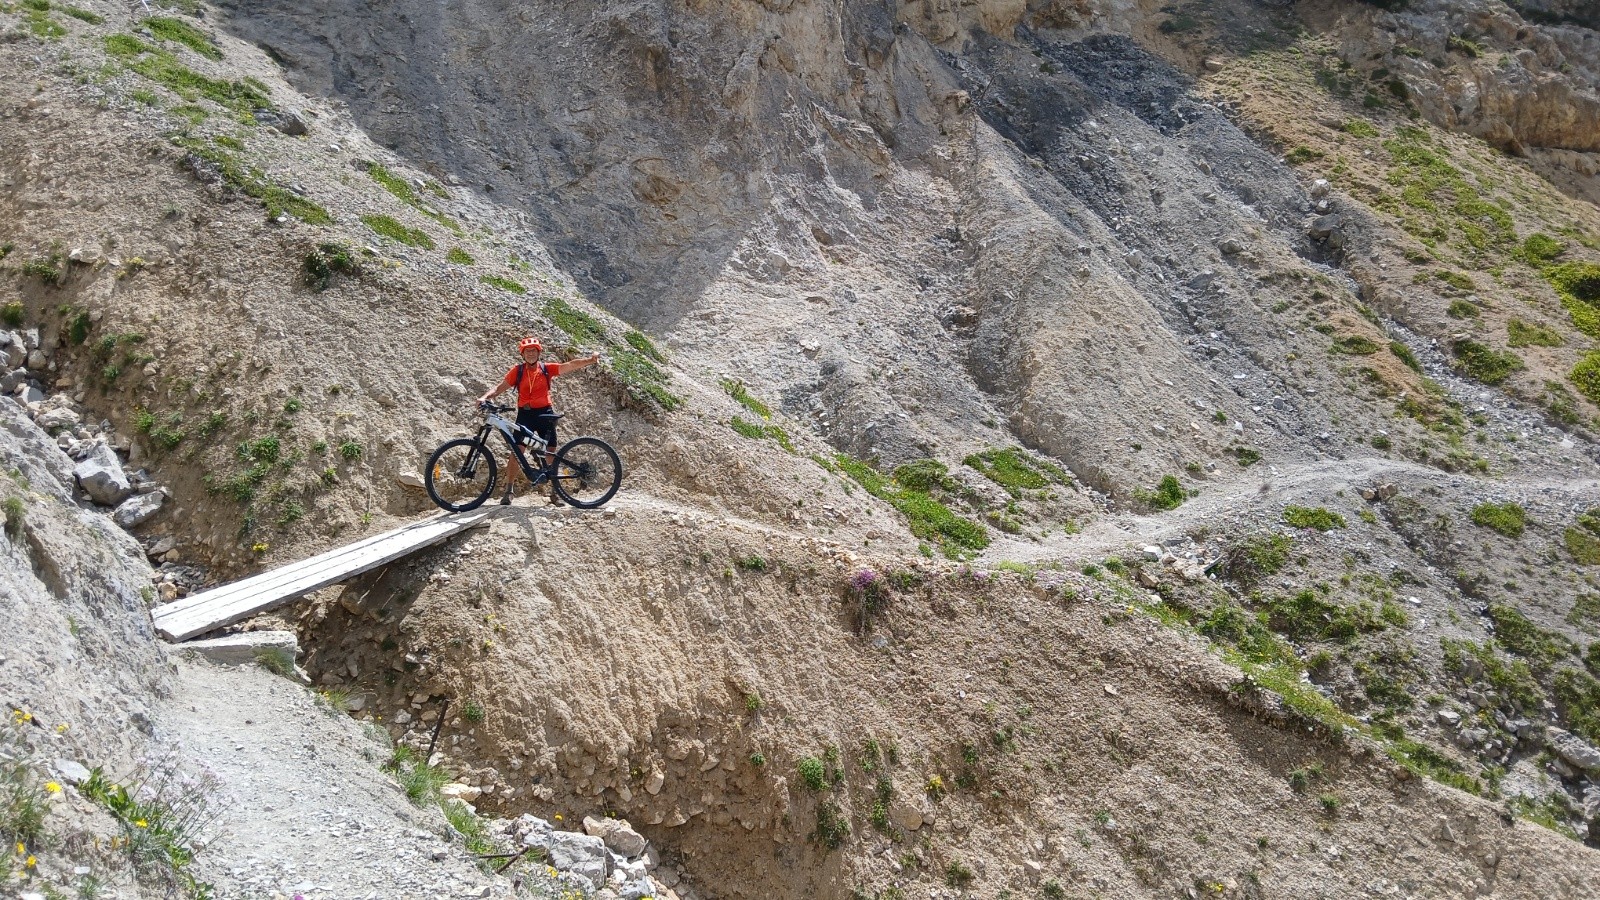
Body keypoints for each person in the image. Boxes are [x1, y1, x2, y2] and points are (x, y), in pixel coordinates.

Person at [477, 337, 601, 506]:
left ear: (539, 352)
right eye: (527, 351)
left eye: (534, 350)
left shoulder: (546, 369)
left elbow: (570, 365)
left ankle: (555, 493)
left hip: (545, 414)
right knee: (516, 451)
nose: (531, 353)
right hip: (525, 415)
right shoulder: (517, 371)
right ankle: (509, 490)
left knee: (550, 452)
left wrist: (590, 360)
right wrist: (484, 397)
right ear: (522, 354)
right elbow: (499, 388)